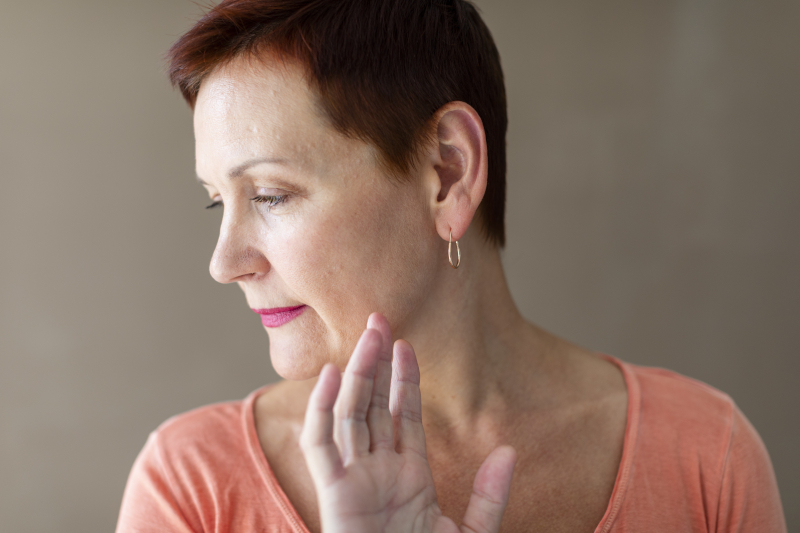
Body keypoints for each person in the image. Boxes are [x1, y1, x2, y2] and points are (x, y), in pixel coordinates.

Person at [116, 0, 787, 531]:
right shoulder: (193, 488)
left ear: (447, 172)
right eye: (217, 204)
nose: (224, 262)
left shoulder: (705, 458)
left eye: (269, 194)